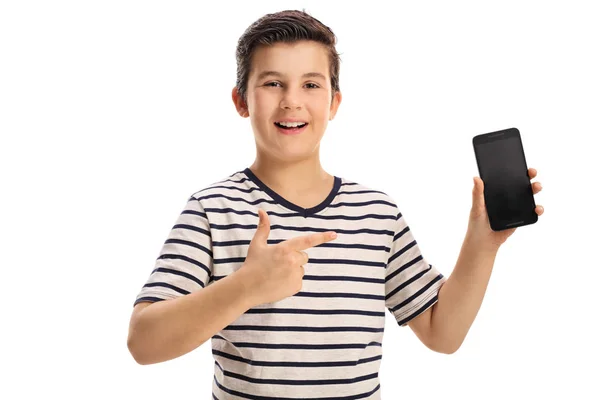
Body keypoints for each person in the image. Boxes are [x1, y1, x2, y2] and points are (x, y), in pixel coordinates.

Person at [126, 9, 544, 399]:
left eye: (311, 84)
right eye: (273, 83)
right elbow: (143, 343)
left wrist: (483, 245)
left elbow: (442, 334)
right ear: (241, 100)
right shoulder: (212, 208)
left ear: (334, 103)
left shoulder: (377, 213)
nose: (292, 100)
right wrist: (247, 286)